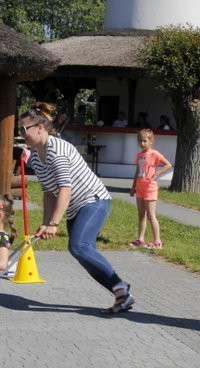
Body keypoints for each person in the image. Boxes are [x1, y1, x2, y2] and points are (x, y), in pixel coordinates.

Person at [19, 102, 135, 314]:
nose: (21, 134)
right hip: (75, 208)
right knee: (82, 252)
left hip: (93, 200)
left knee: (78, 246)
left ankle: (121, 287)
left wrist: (54, 224)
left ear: (39, 127)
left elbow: (65, 189)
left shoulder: (58, 150)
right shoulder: (35, 156)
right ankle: (121, 294)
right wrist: (46, 223)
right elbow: (48, 193)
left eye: (23, 129)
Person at [128, 129, 172, 249]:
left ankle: (157, 241)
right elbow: (137, 172)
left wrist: (157, 173)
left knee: (151, 215)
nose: (142, 144)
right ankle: (140, 239)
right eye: (140, 141)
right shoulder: (139, 156)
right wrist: (133, 188)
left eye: (144, 141)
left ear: (151, 141)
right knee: (141, 215)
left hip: (150, 189)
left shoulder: (154, 154)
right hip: (140, 188)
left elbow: (168, 164)